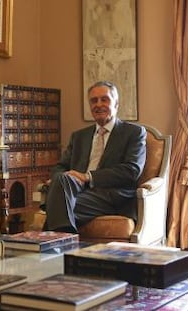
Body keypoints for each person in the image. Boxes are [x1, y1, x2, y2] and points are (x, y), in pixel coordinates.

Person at [44, 81, 147, 233]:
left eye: (104, 99)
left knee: (58, 205)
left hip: (112, 196)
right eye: (93, 101)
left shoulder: (133, 133)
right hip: (77, 190)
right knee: (61, 179)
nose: (98, 105)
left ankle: (58, 246)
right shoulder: (79, 136)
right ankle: (64, 244)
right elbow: (61, 166)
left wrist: (87, 177)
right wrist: (60, 178)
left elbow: (132, 170)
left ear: (116, 104)